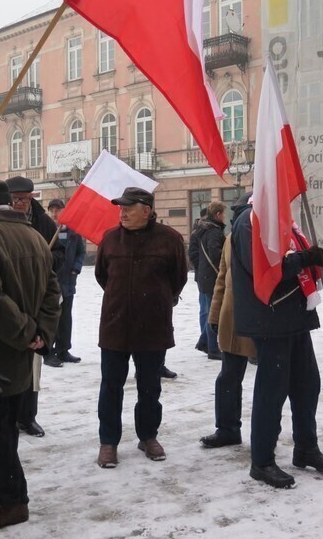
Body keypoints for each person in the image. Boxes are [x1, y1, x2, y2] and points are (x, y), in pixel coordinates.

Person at [0, 181, 59, 532]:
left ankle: (12, 501)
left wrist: (25, 333)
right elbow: (53, 291)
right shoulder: (34, 236)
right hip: (22, 353)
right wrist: (41, 332)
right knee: (4, 430)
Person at [230, 200, 323, 489]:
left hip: (294, 316)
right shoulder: (248, 221)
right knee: (272, 392)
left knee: (307, 386)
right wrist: (302, 259)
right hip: (270, 319)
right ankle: (262, 460)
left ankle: (306, 448)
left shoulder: (282, 221)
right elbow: (263, 269)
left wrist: (307, 259)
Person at [94, 187, 187, 468]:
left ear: (146, 210)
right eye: (120, 208)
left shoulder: (170, 239)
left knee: (150, 387)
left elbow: (178, 279)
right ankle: (108, 441)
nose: (121, 212)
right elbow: (102, 276)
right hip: (115, 325)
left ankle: (148, 436)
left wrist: (154, 301)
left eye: (128, 208)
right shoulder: (110, 239)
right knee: (111, 386)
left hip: (153, 326)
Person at [6, 176, 64, 438]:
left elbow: (59, 254)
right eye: (16, 199)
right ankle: (8, 415)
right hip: (8, 301)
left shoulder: (44, 223)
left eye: (25, 199)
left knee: (32, 367)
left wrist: (44, 261)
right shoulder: (1, 222)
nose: (20, 203)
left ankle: (28, 417)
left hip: (35, 299)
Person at [200, 192, 256, 448]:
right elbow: (221, 279)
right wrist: (214, 315)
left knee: (270, 381)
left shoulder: (269, 239)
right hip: (233, 319)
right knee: (228, 378)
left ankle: (266, 432)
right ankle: (227, 429)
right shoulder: (231, 239)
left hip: (263, 321)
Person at [44, 198, 85, 368]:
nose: (54, 213)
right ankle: (48, 352)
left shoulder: (73, 232)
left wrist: (76, 268)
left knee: (66, 318)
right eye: (51, 210)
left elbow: (81, 253)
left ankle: (63, 350)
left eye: (58, 209)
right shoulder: (46, 230)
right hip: (51, 282)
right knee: (51, 317)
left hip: (68, 282)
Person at [188, 201, 226, 360]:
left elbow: (194, 252)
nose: (225, 217)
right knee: (213, 312)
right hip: (211, 277)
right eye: (223, 213)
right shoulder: (214, 231)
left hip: (204, 276)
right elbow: (216, 254)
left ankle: (204, 342)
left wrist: (201, 268)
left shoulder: (202, 229)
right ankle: (212, 347)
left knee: (207, 310)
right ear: (218, 214)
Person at [188, 207, 208, 353]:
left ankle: (208, 337)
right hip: (203, 275)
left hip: (206, 274)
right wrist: (202, 268)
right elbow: (193, 254)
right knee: (205, 308)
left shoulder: (208, 230)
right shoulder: (197, 233)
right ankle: (204, 337)